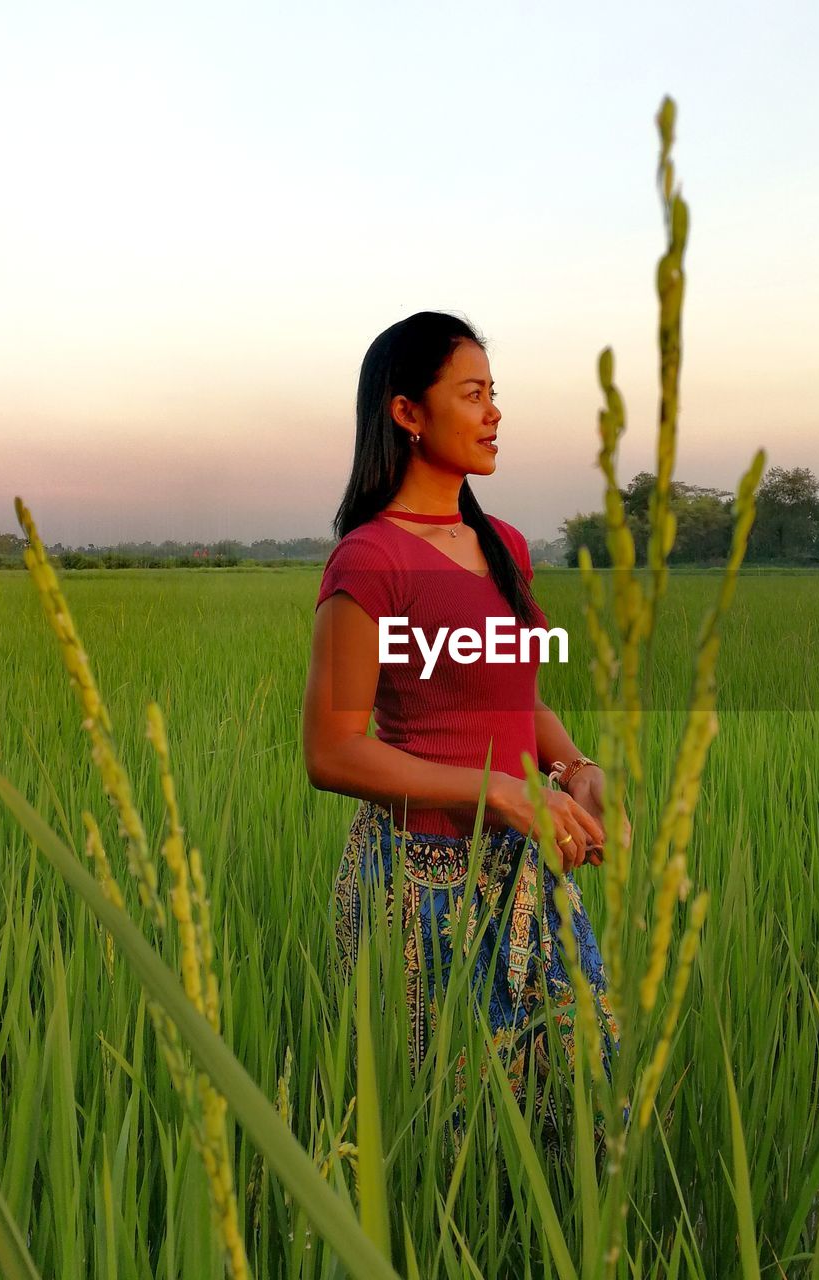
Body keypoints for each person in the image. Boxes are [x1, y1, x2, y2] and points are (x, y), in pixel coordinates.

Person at [301, 311, 624, 1111]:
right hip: (422, 885)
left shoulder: (503, 544)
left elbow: (516, 695)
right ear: (406, 413)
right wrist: (501, 792)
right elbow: (332, 752)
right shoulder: (371, 559)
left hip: (529, 869)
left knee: (583, 1108)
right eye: (471, 394)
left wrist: (575, 772)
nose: (493, 413)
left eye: (493, 394)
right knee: (451, 1135)